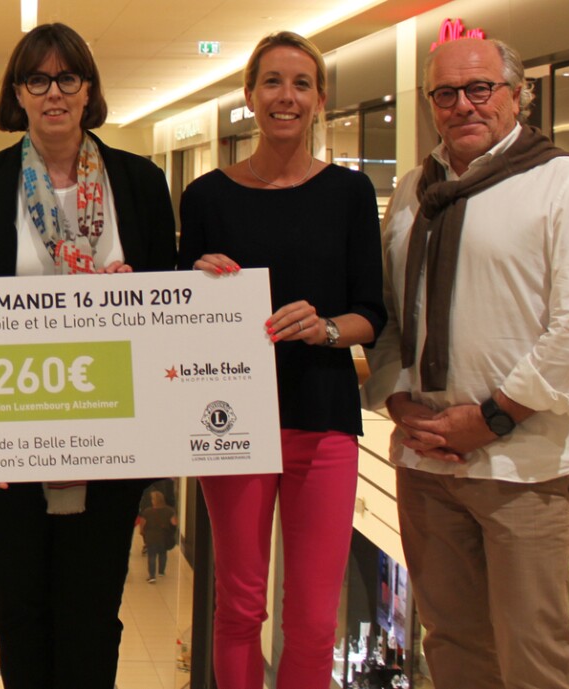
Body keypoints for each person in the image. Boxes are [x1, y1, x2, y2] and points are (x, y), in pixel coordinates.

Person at [364, 38, 569, 689]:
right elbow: (392, 311)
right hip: (427, 461)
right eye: (446, 93)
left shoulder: (564, 182)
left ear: (516, 94)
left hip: (526, 466)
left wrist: (492, 418)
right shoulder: (413, 190)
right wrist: (398, 399)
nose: (464, 105)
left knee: (535, 655)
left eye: (480, 88)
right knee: (452, 644)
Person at [0, 22, 177, 689]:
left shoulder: (140, 181)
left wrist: (156, 289)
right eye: (37, 79)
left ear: (88, 90)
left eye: (67, 78)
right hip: (6, 434)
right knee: (18, 610)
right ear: (17, 93)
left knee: (94, 612)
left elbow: (168, 301)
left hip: (113, 431)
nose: (54, 93)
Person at [177, 31, 385, 689]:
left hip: (322, 419)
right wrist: (195, 282)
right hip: (230, 422)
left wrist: (325, 328)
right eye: (272, 81)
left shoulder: (350, 193)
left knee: (315, 618)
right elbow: (178, 319)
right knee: (240, 605)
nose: (286, 96)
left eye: (301, 84)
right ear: (249, 95)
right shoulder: (206, 197)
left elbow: (371, 313)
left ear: (320, 99)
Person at [138, 490, 177, 583]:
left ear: (154, 501)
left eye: (152, 499)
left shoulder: (147, 511)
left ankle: (152, 576)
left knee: (152, 556)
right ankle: (161, 571)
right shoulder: (170, 510)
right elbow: (174, 523)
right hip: (163, 537)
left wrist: (142, 531)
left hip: (151, 537)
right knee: (163, 554)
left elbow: (142, 523)